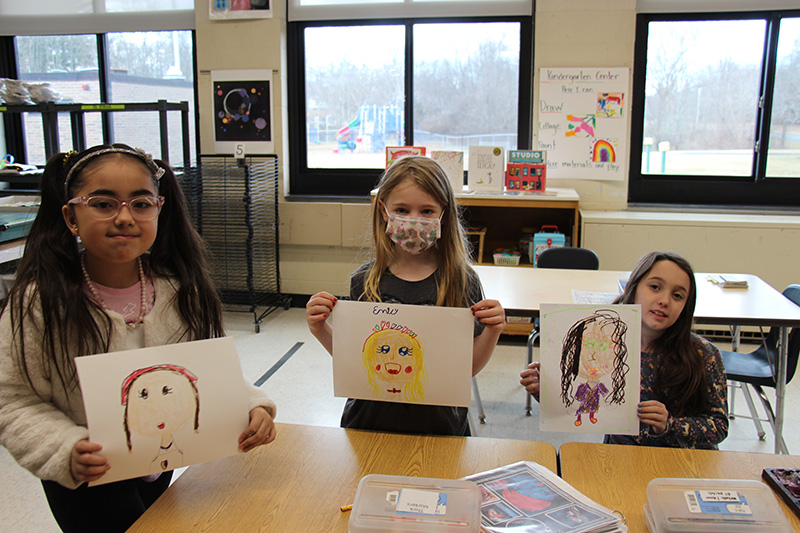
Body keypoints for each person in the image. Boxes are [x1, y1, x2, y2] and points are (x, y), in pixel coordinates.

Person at [0, 144, 277, 533]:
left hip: (160, 459)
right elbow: (11, 398)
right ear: (70, 216)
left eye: (142, 204)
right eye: (103, 204)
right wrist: (63, 448)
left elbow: (205, 371)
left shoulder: (179, 289)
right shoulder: (40, 300)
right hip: (86, 477)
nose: (125, 218)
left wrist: (252, 405)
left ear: (159, 210)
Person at [306, 155, 505, 436]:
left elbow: (465, 368)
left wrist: (493, 330)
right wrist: (320, 329)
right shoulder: (364, 281)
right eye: (402, 208)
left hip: (440, 426)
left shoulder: (460, 280)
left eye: (426, 211)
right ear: (384, 210)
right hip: (368, 424)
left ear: (443, 214)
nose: (414, 221)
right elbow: (355, 358)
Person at [520, 251, 728, 449]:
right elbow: (582, 405)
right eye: (655, 287)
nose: (664, 301)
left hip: (682, 463)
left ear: (686, 306)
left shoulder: (703, 354)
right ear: (633, 287)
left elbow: (719, 426)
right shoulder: (602, 343)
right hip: (621, 457)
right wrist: (546, 391)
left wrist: (669, 425)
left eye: (677, 295)